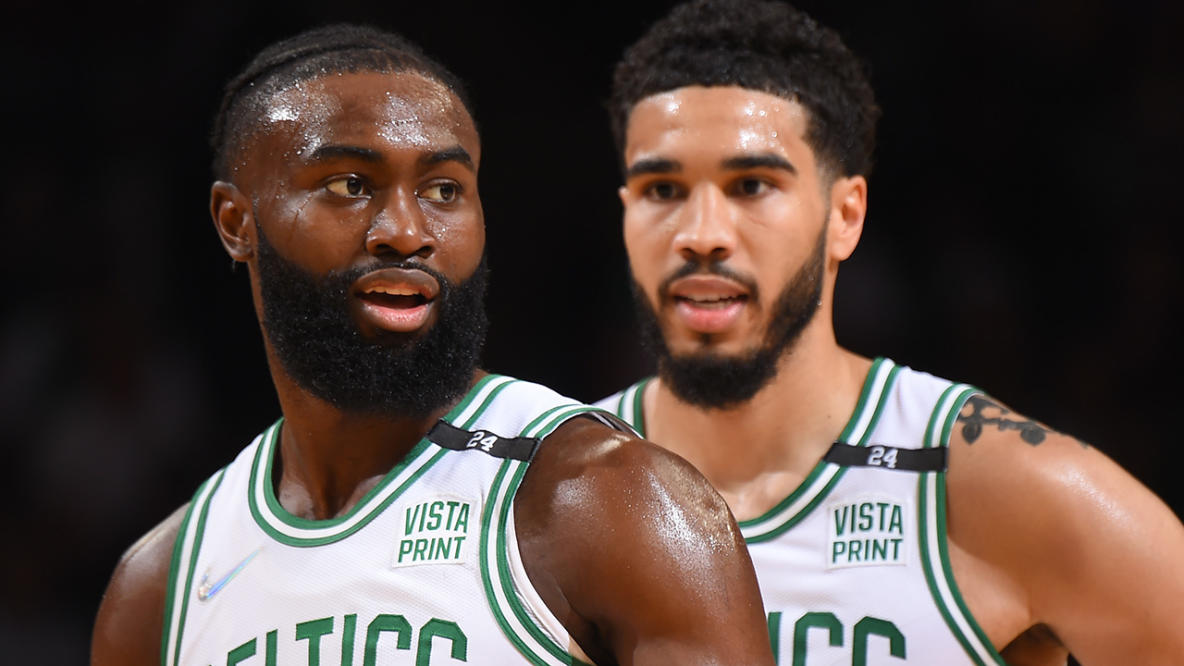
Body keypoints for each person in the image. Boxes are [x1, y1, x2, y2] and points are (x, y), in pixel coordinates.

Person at [91, 23, 775, 666]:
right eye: (350, 186)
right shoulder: (161, 588)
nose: (405, 230)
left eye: (443, 189)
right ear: (236, 222)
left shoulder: (614, 504)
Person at [595, 1, 1184, 664]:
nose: (700, 234)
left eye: (751, 184)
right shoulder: (543, 487)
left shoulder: (988, 486)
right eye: (662, 190)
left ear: (845, 216)